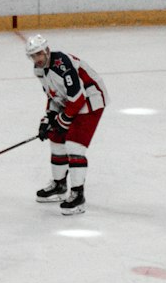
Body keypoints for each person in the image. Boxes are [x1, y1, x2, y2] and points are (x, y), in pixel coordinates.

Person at [25, 33, 108, 216]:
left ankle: (78, 196)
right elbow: (54, 96)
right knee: (56, 139)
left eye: (39, 53)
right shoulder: (39, 70)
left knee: (74, 146)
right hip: (73, 102)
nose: (37, 58)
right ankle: (59, 185)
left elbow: (78, 98)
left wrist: (62, 120)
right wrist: (47, 120)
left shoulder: (62, 64)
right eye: (33, 55)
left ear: (47, 50)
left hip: (91, 101)